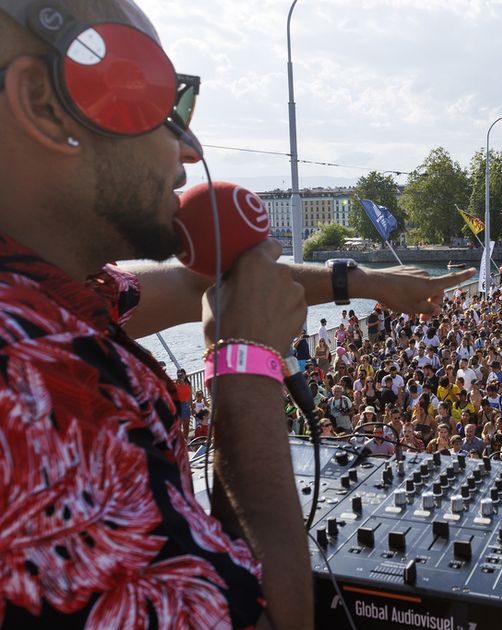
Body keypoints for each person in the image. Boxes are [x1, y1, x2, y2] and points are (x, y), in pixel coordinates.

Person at [0, 2, 473, 626]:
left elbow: (177, 283)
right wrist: (245, 362)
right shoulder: (34, 392)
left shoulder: (49, 297)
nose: (191, 149)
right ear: (42, 101)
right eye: (163, 102)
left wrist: (360, 280)